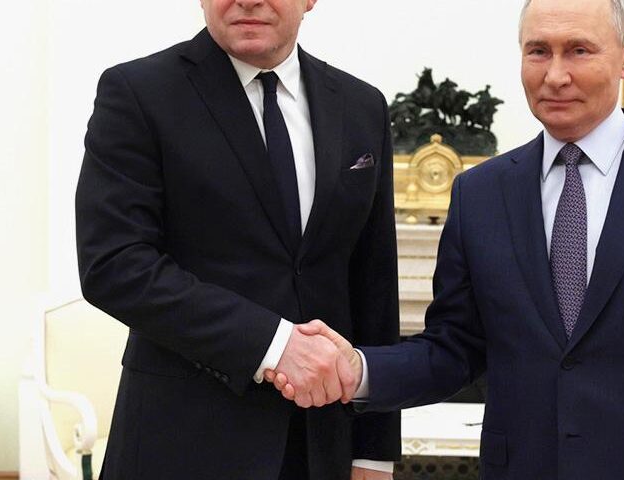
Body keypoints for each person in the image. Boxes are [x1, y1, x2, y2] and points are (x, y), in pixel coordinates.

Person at [271, 0, 624, 477]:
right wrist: (358, 369)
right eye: (538, 51)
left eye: (578, 50)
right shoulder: (479, 194)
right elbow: (454, 348)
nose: (555, 75)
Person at [74, 0, 400, 478]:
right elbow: (114, 265)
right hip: (181, 443)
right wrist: (273, 344)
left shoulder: (362, 105)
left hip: (321, 446)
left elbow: (374, 285)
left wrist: (373, 452)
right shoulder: (138, 93)